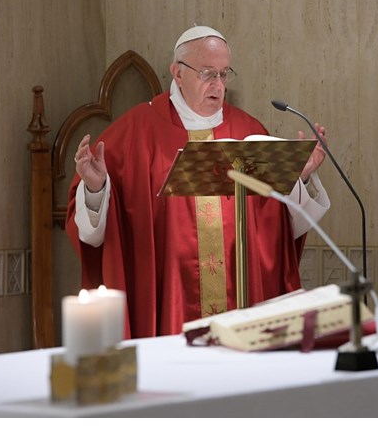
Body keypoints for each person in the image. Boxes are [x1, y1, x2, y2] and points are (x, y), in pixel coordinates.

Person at [65, 25, 330, 339]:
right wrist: (96, 189)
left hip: (241, 302)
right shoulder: (134, 133)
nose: (218, 85)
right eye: (207, 74)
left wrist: (298, 177)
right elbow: (96, 235)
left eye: (224, 74)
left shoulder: (249, 131)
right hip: (169, 302)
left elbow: (279, 228)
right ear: (177, 73)